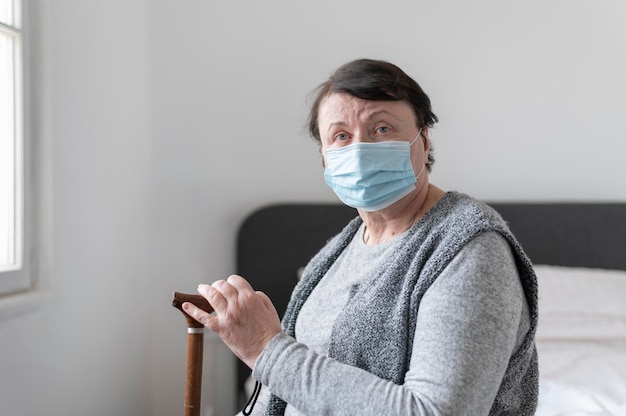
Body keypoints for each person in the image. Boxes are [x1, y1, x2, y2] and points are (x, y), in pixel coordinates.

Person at [183, 58, 539, 415]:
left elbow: (434, 411)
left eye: (382, 128)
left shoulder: (470, 248)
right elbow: (285, 390)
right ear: (324, 158)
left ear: (424, 139)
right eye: (341, 136)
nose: (360, 150)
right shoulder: (335, 253)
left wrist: (265, 348)